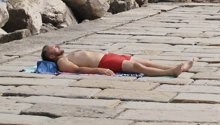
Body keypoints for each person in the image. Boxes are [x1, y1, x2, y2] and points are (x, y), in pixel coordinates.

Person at [41, 45, 194, 77]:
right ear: (52, 57)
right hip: (104, 63)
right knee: (137, 66)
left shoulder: (66, 55)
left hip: (109, 56)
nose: (56, 46)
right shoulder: (62, 61)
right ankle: (171, 72)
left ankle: (176, 67)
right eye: (52, 48)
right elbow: (77, 70)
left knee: (146, 61)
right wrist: (99, 70)